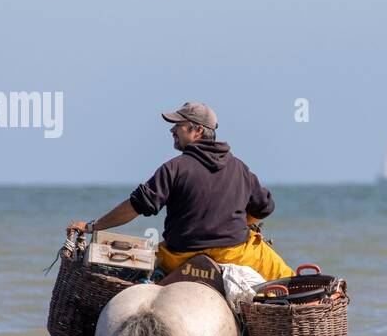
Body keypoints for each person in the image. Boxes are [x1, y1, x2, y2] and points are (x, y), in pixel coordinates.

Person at [67, 102, 293, 281]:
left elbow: (135, 207)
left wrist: (92, 227)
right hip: (235, 255)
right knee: (289, 281)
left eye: (179, 125)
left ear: (197, 130)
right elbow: (265, 207)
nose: (172, 129)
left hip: (179, 258)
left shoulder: (174, 168)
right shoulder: (240, 168)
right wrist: (245, 221)